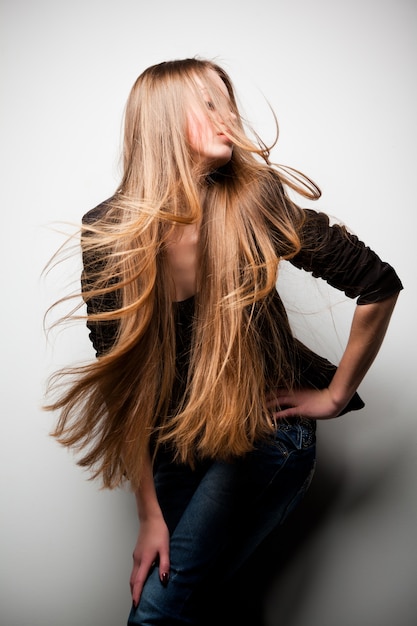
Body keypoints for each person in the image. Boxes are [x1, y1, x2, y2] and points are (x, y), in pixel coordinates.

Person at [45, 58, 403, 625]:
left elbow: (377, 284)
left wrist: (333, 396)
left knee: (158, 616)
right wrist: (148, 514)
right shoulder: (108, 232)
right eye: (209, 103)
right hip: (179, 440)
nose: (228, 115)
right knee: (185, 605)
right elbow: (123, 383)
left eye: (228, 101)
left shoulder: (253, 204)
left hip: (265, 434)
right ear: (162, 123)